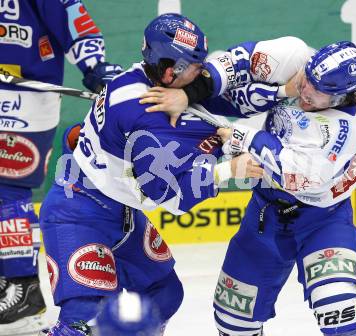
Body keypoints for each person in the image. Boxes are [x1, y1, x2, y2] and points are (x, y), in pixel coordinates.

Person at [38, 13, 262, 336]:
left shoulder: (146, 82)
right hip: (79, 212)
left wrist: (228, 142)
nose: (201, 73)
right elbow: (168, 196)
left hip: (120, 209)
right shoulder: (145, 117)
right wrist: (227, 170)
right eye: (195, 66)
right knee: (84, 320)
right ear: (170, 71)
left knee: (165, 294)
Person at [145, 40, 356, 335]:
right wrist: (187, 94)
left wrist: (242, 137)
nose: (305, 92)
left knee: (339, 307)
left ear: (342, 96)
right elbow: (235, 62)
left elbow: (298, 175)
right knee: (232, 320)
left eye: (317, 93)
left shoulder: (344, 129)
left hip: (323, 220)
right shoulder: (296, 56)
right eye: (306, 81)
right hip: (265, 216)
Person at [0, 0, 122, 333]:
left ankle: (21, 289)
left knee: (6, 188)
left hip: (24, 93)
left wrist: (95, 66)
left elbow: (72, 17)